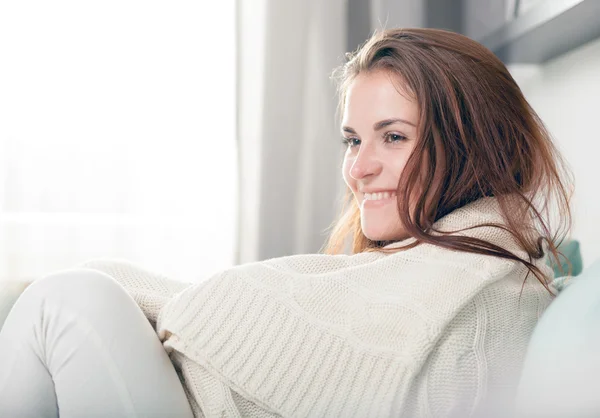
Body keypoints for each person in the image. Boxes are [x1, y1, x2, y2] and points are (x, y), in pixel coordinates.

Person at [0, 27, 572, 417]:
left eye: (393, 137)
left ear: (474, 144)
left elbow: (248, 319)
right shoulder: (443, 261)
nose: (360, 167)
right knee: (71, 299)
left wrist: (134, 291)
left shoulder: (488, 284)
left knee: (70, 300)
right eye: (353, 140)